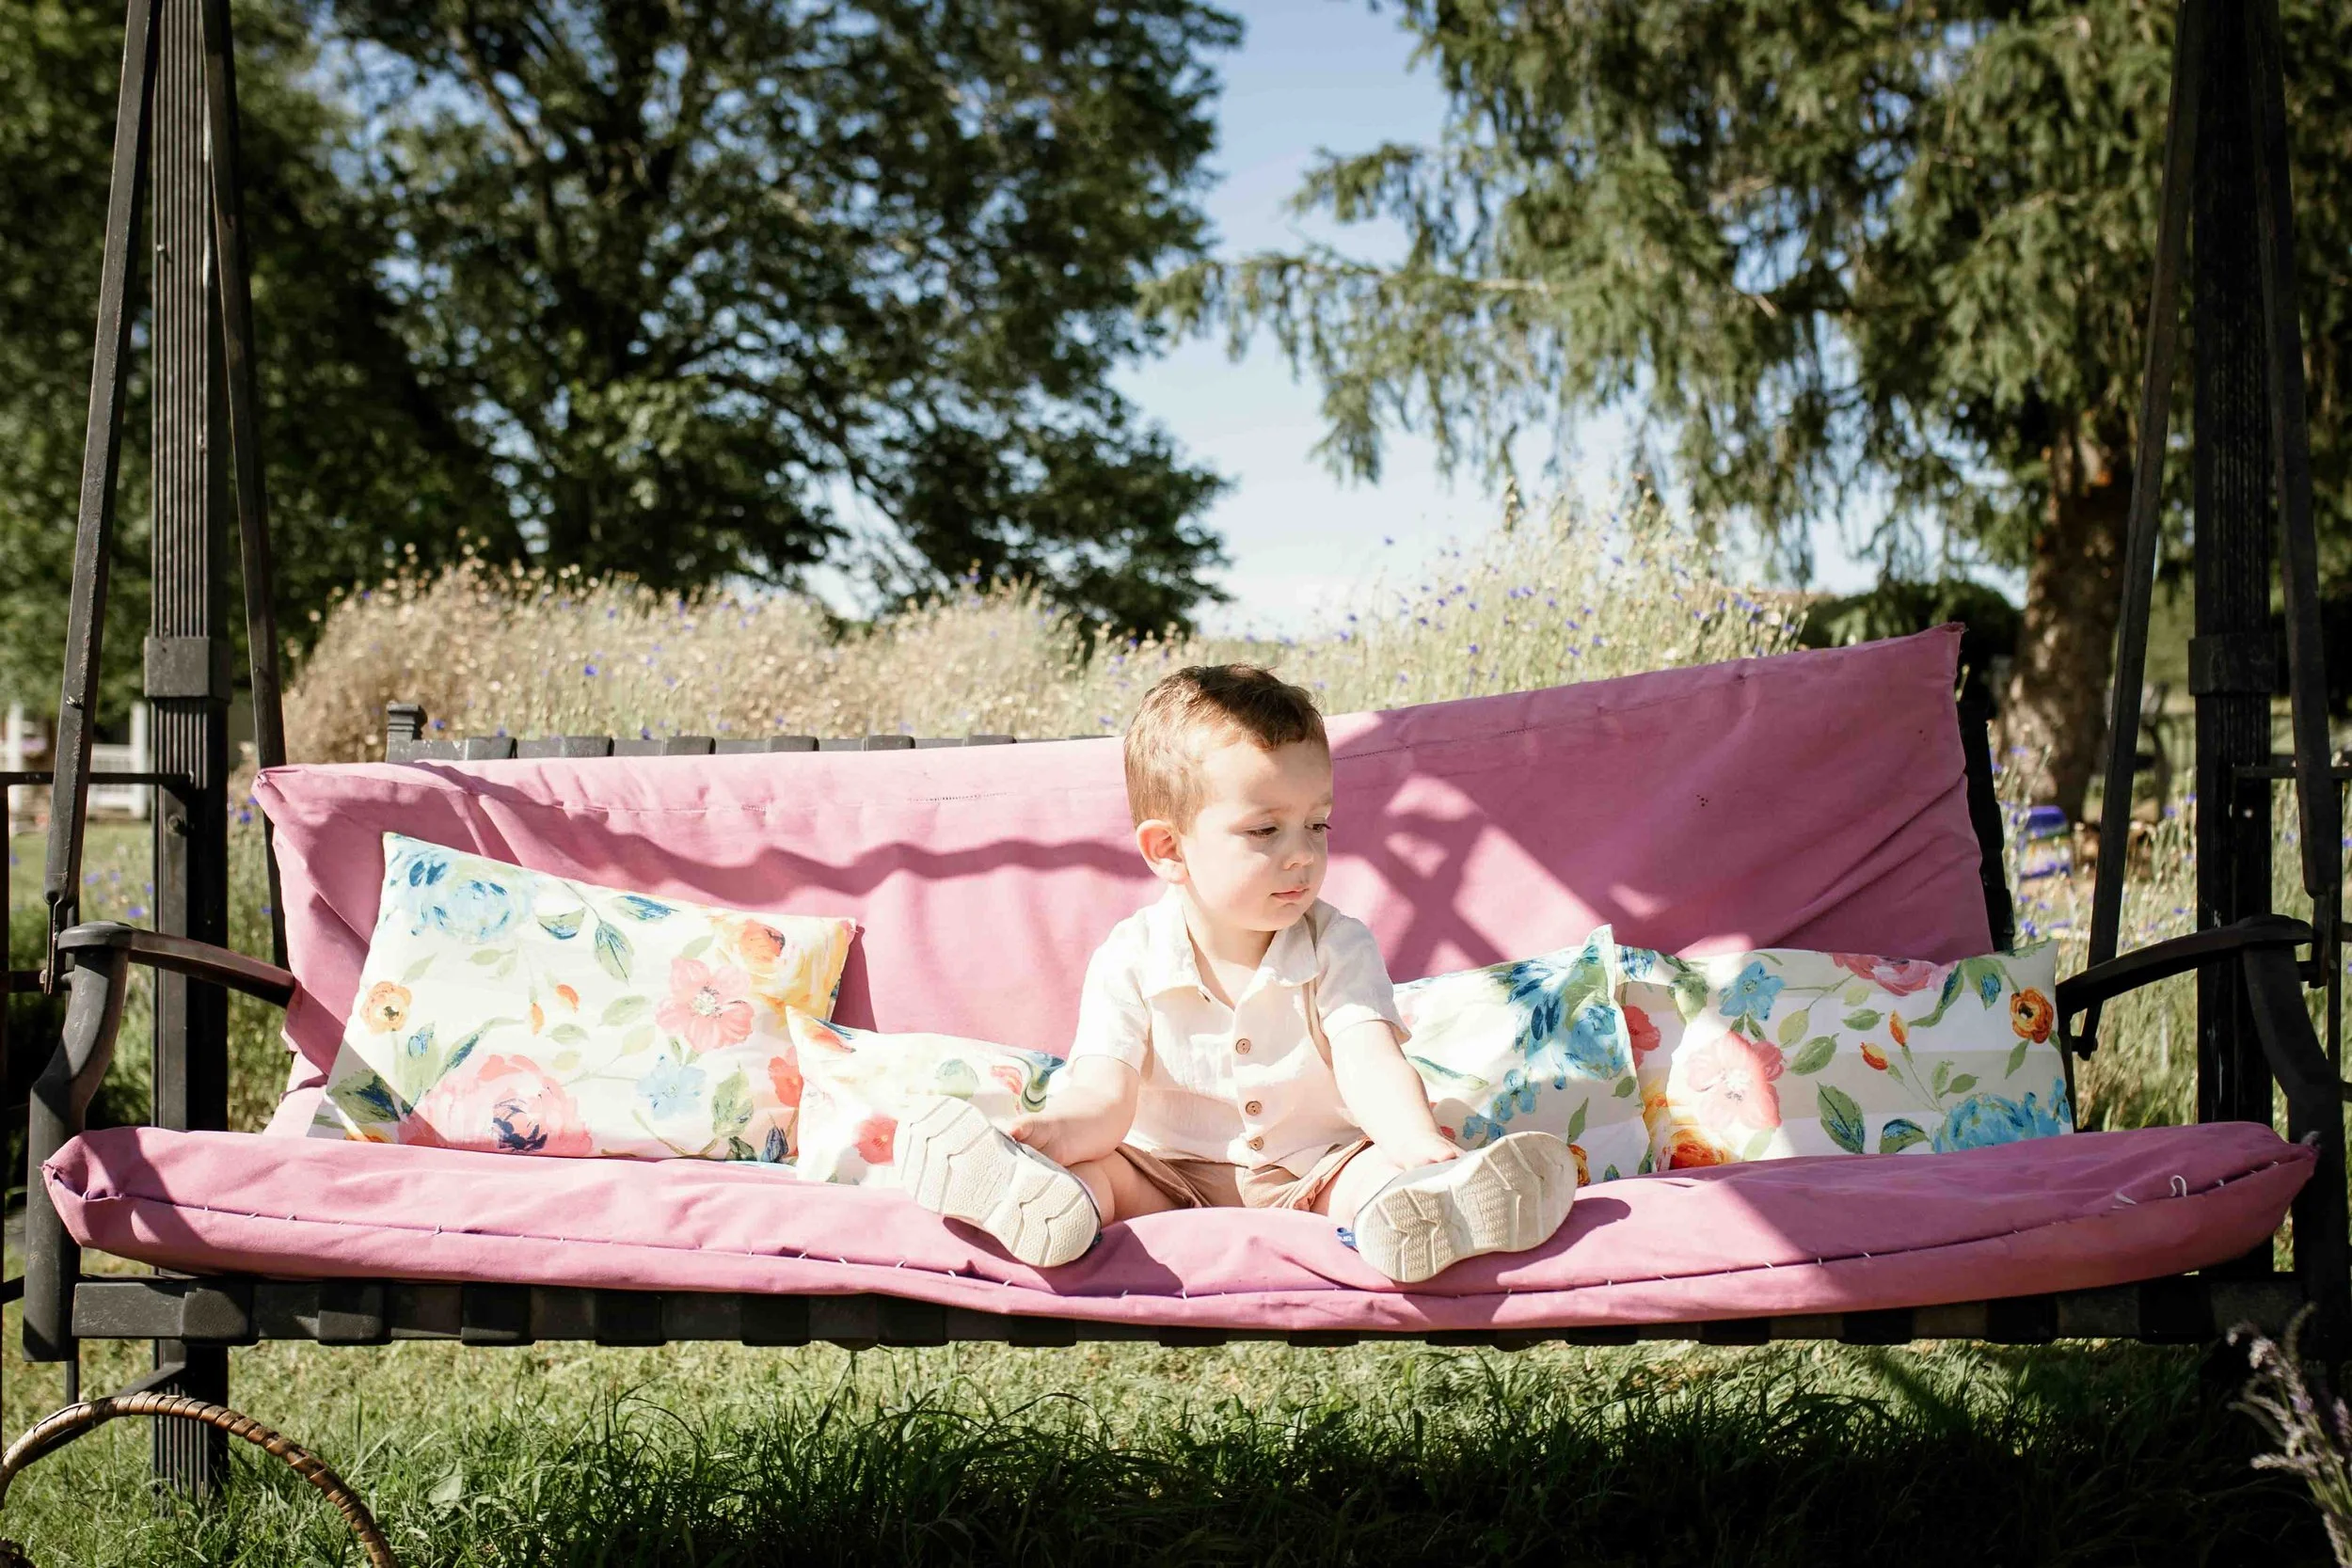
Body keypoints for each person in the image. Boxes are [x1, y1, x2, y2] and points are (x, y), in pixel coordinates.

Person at [896, 663, 1578, 1282]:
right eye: (1265, 831)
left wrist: (1417, 1143)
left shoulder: (1339, 944)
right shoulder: (1131, 955)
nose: (1303, 856)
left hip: (1314, 1170)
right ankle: (1031, 1198)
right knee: (1095, 1171)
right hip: (1164, 1173)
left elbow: (1370, 1061)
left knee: (1375, 1172)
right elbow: (1104, 1089)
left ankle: (1432, 1208)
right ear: (1168, 849)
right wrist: (1059, 1131)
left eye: (1318, 825)